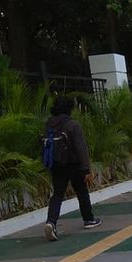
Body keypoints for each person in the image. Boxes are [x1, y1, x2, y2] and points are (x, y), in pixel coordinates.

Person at [43, 96, 101, 241]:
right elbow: (81, 148)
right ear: (69, 109)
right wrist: (86, 169)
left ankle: (51, 222)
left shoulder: (49, 125)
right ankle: (89, 219)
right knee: (81, 190)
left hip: (56, 164)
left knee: (57, 194)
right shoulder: (73, 125)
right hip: (73, 163)